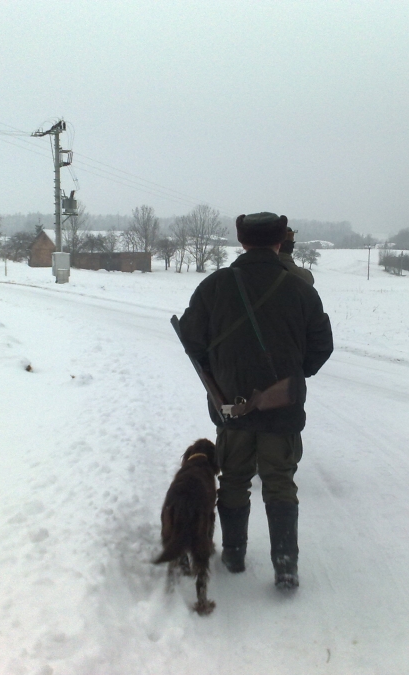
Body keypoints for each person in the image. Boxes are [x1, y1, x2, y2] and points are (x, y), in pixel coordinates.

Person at [177, 212, 334, 590]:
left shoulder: (214, 286)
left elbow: (192, 341)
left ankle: (234, 555)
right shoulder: (301, 289)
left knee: (233, 480)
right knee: (280, 482)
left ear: (242, 241)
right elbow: (321, 347)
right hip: (283, 408)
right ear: (280, 242)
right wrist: (293, 374)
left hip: (231, 409)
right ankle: (285, 565)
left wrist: (221, 373)